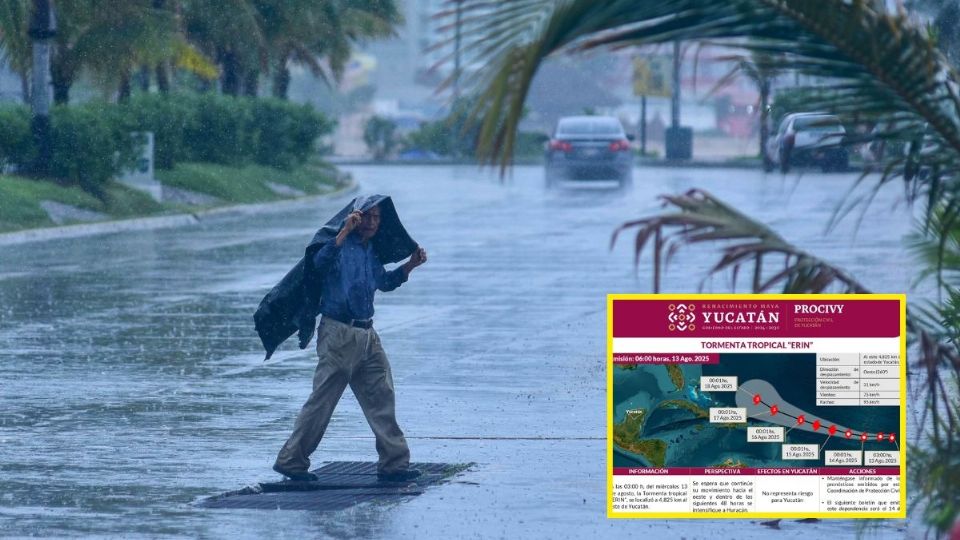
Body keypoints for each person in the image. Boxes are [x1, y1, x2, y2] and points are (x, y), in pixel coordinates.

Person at [272, 202, 427, 482]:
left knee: (382, 396)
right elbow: (317, 266)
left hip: (367, 334)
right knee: (322, 402)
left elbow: (384, 282)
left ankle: (394, 464)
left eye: (376, 218)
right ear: (354, 218)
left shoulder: (371, 252)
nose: (370, 223)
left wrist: (410, 266)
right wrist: (343, 233)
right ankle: (291, 461)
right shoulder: (338, 246)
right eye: (365, 216)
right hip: (338, 334)